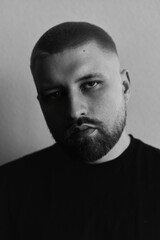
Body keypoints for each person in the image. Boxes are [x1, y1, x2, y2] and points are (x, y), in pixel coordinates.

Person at [0, 21, 160, 240]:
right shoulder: (8, 190)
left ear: (124, 87)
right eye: (54, 95)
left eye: (90, 84)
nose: (75, 111)